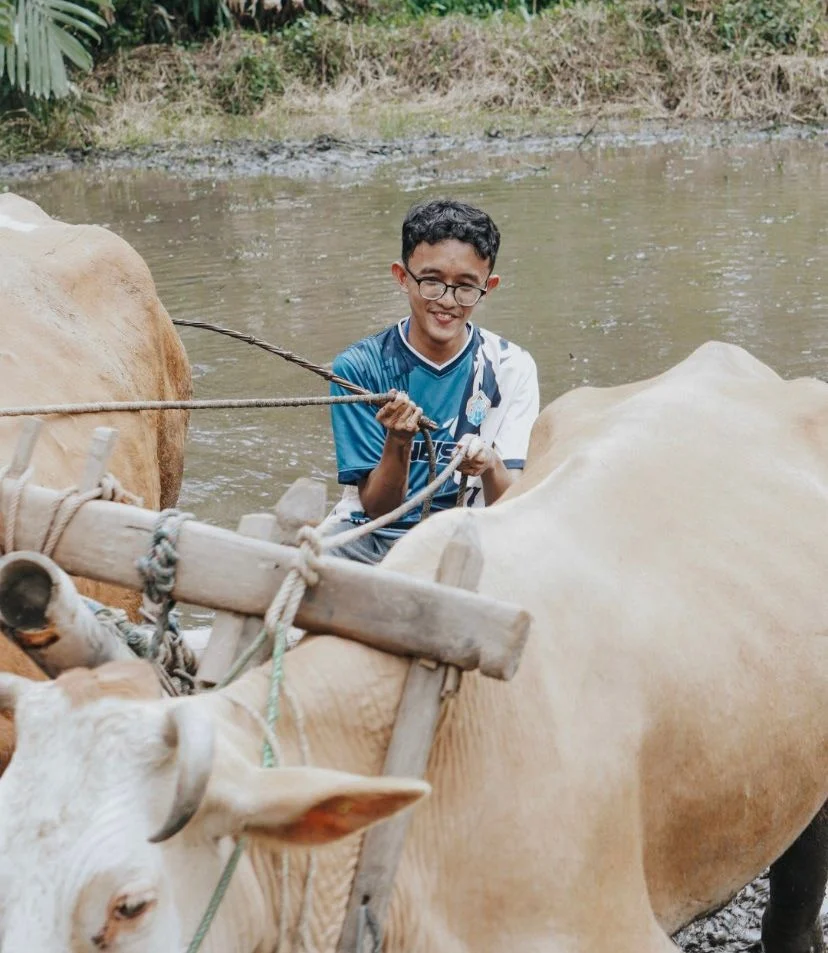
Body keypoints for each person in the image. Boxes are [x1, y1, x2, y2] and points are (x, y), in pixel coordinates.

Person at [324, 197, 540, 564]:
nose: (447, 301)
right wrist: (398, 441)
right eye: (431, 282)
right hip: (373, 536)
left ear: (489, 286)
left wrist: (490, 464)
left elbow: (512, 503)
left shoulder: (510, 367)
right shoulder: (359, 368)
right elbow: (378, 509)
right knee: (298, 567)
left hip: (474, 533)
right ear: (402, 277)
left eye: (466, 287)